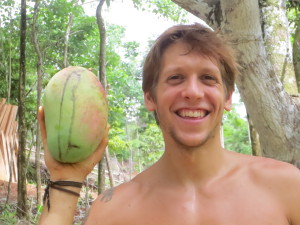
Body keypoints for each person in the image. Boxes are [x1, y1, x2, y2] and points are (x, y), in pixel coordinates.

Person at [38, 23, 300, 225]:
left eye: (208, 78)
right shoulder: (111, 211)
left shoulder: (287, 187)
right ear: (150, 97)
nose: (193, 92)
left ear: (228, 97)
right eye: (176, 78)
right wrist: (64, 182)